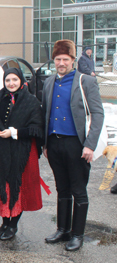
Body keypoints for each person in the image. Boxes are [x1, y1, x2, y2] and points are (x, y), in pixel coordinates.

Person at [42, 39, 104, 251]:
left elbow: (97, 113)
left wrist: (90, 145)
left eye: (65, 59)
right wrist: (45, 144)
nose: (61, 63)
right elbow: (46, 113)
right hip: (54, 143)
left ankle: (77, 234)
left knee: (79, 190)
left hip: (77, 145)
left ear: (73, 60)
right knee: (62, 188)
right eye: (58, 59)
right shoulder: (49, 82)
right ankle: (63, 230)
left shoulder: (85, 81)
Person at [0, 68, 44, 240]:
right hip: (1, 151)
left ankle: (13, 225)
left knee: (18, 188)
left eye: (14, 79)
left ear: (21, 80)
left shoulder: (31, 101)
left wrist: (14, 133)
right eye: (8, 80)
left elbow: (36, 128)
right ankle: (5, 222)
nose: (11, 83)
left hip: (22, 153)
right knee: (2, 187)